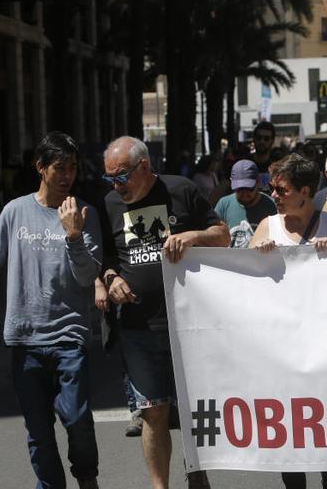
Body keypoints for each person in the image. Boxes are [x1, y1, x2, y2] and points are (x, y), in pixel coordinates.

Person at [101, 136, 230, 489]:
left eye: (122, 176)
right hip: (138, 327)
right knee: (153, 413)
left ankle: (197, 474)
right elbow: (107, 259)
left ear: (144, 166)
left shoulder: (181, 190)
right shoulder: (111, 203)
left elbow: (223, 236)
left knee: (190, 408)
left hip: (187, 324)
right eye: (109, 178)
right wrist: (110, 279)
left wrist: (191, 237)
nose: (116, 185)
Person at [0, 132, 102, 489]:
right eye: (60, 167)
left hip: (69, 337)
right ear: (40, 168)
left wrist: (74, 236)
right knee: (39, 434)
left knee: (77, 419)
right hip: (25, 339)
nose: (67, 175)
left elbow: (88, 276)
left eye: (72, 168)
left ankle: (86, 477)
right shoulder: (14, 212)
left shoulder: (83, 213)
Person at [248, 156, 327, 488]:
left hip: (325, 347)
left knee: (324, 431)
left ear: (305, 191)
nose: (274, 195)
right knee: (288, 435)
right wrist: (256, 255)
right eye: (271, 188)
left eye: (281, 189)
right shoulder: (268, 226)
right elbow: (242, 286)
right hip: (281, 349)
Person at [214, 159, 277, 248]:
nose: (244, 194)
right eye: (239, 189)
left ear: (258, 182)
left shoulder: (272, 205)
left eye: (249, 188)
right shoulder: (223, 204)